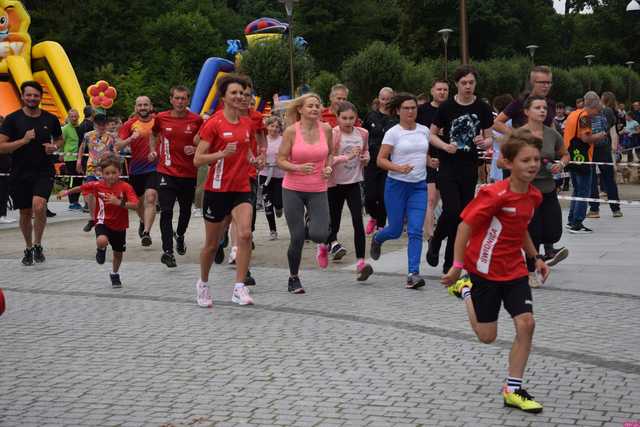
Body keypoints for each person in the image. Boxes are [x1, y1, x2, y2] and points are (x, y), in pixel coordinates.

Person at [441, 127, 549, 414]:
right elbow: (465, 225)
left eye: (536, 160)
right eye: (526, 160)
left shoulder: (534, 196)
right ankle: (465, 291)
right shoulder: (494, 194)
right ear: (508, 163)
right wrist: (457, 267)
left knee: (526, 324)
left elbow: (520, 228)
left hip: (513, 271)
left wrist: (536, 257)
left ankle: (513, 389)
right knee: (486, 336)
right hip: (483, 271)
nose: (532, 165)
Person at [194, 75, 259, 307]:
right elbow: (197, 159)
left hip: (241, 187)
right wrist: (221, 154)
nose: (239, 96)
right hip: (217, 189)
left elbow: (248, 153)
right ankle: (203, 283)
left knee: (245, 235)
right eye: (234, 93)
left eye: (242, 93)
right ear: (224, 98)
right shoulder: (214, 123)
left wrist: (255, 160)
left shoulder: (247, 123)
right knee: (212, 245)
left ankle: (239, 287)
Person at [427, 65, 494, 273]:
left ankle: (450, 263)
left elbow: (489, 137)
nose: (467, 86)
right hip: (448, 165)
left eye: (471, 83)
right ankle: (436, 240)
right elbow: (432, 135)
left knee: (463, 217)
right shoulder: (446, 107)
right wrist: (444, 146)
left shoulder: (482, 107)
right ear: (456, 84)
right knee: (452, 210)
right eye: (463, 83)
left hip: (470, 166)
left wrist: (484, 142)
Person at [369, 93, 431, 289]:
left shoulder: (424, 130)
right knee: (395, 230)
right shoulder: (393, 133)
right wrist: (398, 167)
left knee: (415, 230)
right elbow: (381, 160)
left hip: (419, 186)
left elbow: (422, 153)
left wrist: (431, 161)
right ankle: (378, 238)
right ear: (398, 111)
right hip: (396, 185)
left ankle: (413, 273)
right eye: (406, 108)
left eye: (413, 108)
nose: (411, 111)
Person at [0, 81, 63, 265]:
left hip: (44, 170)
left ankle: (38, 243)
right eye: (29, 95)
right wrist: (23, 140)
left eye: (36, 95)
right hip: (20, 172)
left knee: (39, 205)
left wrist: (54, 147)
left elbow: (59, 139)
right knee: (25, 213)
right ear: (22, 96)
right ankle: (28, 247)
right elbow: (2, 147)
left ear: (40, 97)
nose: (32, 98)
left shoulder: (50, 119)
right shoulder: (12, 119)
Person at [277, 93, 333, 294]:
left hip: (318, 188)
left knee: (320, 234)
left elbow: (330, 154)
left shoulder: (326, 129)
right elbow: (280, 160)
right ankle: (294, 277)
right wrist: (297, 168)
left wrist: (328, 168)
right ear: (300, 109)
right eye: (310, 106)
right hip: (293, 188)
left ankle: (311, 222)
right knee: (297, 237)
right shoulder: (291, 132)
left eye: (318, 105)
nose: (315, 109)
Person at [57, 154, 138, 288]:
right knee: (102, 240)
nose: (111, 176)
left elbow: (135, 205)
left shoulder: (125, 187)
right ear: (101, 173)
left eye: (114, 172)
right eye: (107, 173)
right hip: (102, 221)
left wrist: (118, 202)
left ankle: (114, 273)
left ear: (120, 172)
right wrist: (66, 192)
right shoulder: (97, 185)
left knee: (118, 254)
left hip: (120, 225)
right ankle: (101, 249)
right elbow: (81, 188)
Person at [150, 86, 203, 268]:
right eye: (177, 98)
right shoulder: (161, 117)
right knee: (166, 211)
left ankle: (179, 235)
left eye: (183, 99)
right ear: (171, 99)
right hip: (166, 171)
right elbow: (154, 133)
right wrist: (152, 150)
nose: (180, 102)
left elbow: (207, 141)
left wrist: (196, 149)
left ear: (188, 100)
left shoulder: (196, 120)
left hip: (188, 173)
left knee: (186, 210)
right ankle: (168, 251)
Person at [521, 96, 570, 285]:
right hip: (527, 190)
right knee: (533, 233)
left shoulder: (552, 134)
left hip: (549, 188)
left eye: (544, 108)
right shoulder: (520, 134)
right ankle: (530, 270)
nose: (542, 111)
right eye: (537, 107)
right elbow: (504, 160)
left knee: (554, 232)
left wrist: (561, 164)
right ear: (527, 112)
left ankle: (545, 256)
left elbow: (564, 154)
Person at [325, 101, 373, 281]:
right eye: (344, 118)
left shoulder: (363, 133)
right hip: (335, 184)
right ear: (337, 118)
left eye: (351, 118)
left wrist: (365, 158)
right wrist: (348, 156)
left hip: (353, 182)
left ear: (356, 118)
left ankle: (361, 262)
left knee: (357, 222)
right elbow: (327, 159)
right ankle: (325, 245)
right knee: (334, 223)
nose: (348, 121)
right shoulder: (333, 133)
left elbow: (367, 151)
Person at [116, 96, 158, 247]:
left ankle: (146, 232)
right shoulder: (129, 124)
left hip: (155, 167)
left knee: (151, 197)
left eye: (145, 105)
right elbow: (117, 146)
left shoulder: (158, 121)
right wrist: (130, 139)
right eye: (140, 105)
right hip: (136, 169)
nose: (143, 108)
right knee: (138, 204)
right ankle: (142, 221)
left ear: (151, 106)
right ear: (136, 107)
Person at [564, 91, 608, 233]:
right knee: (584, 190)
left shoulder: (573, 114)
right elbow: (585, 138)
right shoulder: (584, 117)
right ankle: (577, 222)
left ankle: (571, 220)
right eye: (598, 111)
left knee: (577, 189)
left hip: (570, 155)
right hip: (582, 157)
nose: (598, 114)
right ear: (593, 106)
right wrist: (600, 136)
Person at [417, 80, 449, 239]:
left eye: (445, 89)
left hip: (448, 159)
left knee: (442, 199)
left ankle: (444, 231)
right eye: (439, 89)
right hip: (428, 158)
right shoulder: (422, 110)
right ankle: (430, 235)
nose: (442, 92)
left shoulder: (451, 108)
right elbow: (417, 135)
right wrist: (426, 157)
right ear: (432, 91)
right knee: (430, 198)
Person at [362, 87, 396, 235]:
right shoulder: (371, 116)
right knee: (370, 197)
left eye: (389, 99)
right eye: (383, 99)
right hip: (372, 161)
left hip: (389, 162)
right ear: (379, 99)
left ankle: (381, 226)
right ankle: (374, 217)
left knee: (383, 196)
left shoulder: (396, 118)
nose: (386, 102)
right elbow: (363, 136)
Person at [76, 114, 116, 232]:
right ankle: (93, 219)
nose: (101, 126)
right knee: (89, 193)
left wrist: (115, 161)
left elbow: (115, 151)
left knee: (106, 196)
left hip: (106, 170)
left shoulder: (111, 137)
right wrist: (79, 161)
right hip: (91, 168)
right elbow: (82, 148)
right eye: (99, 124)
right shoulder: (88, 135)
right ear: (95, 124)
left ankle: (106, 218)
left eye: (104, 124)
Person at [586, 91, 622, 219]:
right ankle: (616, 209)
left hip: (590, 148)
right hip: (605, 148)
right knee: (609, 179)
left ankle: (594, 210)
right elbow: (612, 130)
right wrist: (614, 148)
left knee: (592, 180)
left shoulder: (586, 113)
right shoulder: (608, 112)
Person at [494, 66, 556, 135]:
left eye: (549, 83)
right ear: (532, 82)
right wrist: (516, 135)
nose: (546, 86)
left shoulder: (551, 104)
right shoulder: (520, 102)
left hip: (544, 145)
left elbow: (551, 126)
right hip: (523, 144)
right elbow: (496, 123)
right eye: (542, 82)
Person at [259, 115, 285, 240]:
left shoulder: (283, 139)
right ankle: (273, 230)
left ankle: (279, 208)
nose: (274, 129)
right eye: (271, 126)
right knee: (267, 203)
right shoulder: (262, 140)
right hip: (265, 174)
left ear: (280, 128)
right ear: (267, 126)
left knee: (278, 202)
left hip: (280, 175)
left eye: (277, 126)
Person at [60, 109, 83, 210]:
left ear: (78, 117)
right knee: (72, 180)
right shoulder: (65, 129)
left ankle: (76, 201)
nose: (74, 118)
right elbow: (61, 142)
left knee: (79, 179)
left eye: (75, 116)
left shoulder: (80, 128)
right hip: (70, 157)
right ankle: (72, 202)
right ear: (69, 117)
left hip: (79, 157)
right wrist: (61, 154)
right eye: (72, 116)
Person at [0, 114, 14, 224]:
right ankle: (2, 215)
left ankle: (3, 215)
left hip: (5, 168)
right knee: (3, 192)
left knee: (4, 192)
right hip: (3, 169)